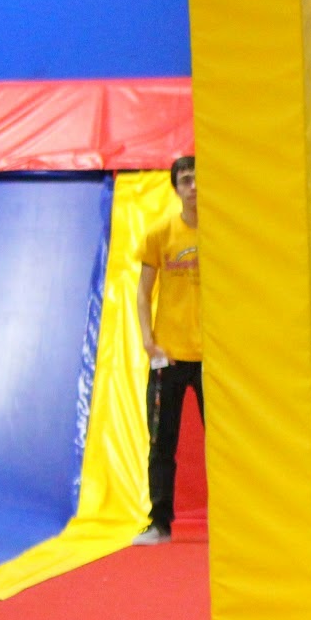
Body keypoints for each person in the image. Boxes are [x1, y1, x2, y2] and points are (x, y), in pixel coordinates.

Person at [132, 154, 201, 546]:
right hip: (168, 356)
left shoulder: (222, 233)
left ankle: (236, 522)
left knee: (226, 446)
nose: (194, 187)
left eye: (199, 179)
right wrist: (148, 339)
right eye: (186, 180)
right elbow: (143, 292)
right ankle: (160, 522)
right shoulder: (160, 234)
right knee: (161, 443)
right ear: (176, 188)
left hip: (212, 357)